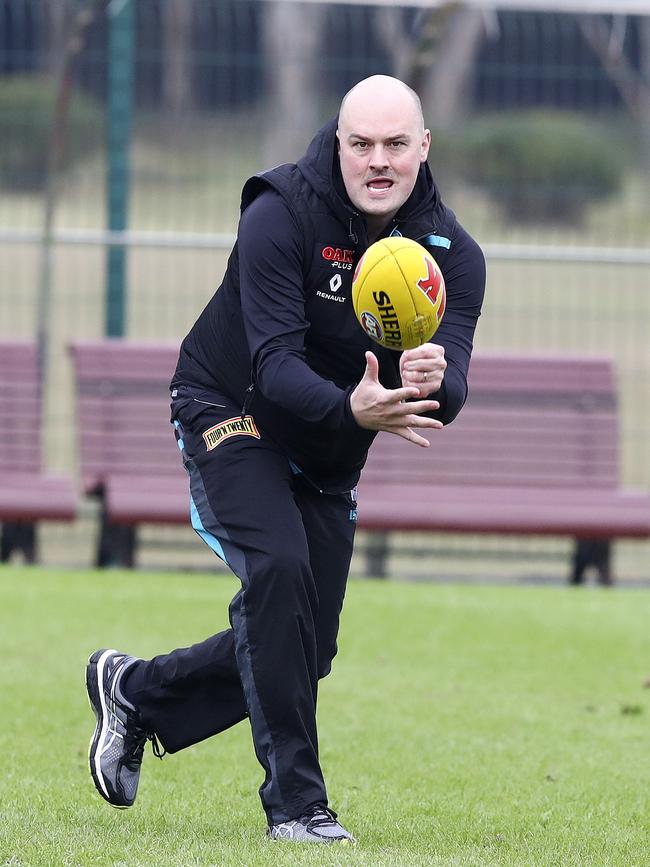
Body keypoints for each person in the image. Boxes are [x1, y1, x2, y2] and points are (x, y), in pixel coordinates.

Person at [85, 75, 485, 844]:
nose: (378, 161)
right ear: (338, 143)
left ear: (423, 148)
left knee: (308, 648)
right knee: (277, 572)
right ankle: (299, 808)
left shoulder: (450, 253)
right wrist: (351, 407)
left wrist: (439, 380)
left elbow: (453, 376)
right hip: (228, 406)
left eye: (395, 145)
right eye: (361, 143)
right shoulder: (281, 212)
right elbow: (272, 365)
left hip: (328, 449)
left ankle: (134, 691)